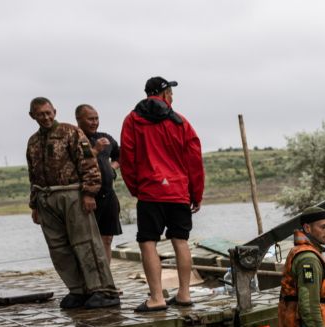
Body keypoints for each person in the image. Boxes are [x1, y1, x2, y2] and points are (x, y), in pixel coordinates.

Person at [119, 76, 204, 313]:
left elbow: (127, 158)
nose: (173, 97)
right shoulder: (181, 123)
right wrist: (196, 194)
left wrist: (136, 188)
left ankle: (156, 298)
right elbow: (194, 159)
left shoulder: (132, 120)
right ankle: (184, 294)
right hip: (178, 192)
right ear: (164, 94)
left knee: (148, 242)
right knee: (181, 241)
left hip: (149, 191)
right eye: (171, 93)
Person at [26, 97, 120, 310]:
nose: (46, 117)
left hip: (72, 194)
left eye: (49, 112)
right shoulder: (32, 142)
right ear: (32, 116)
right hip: (46, 198)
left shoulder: (71, 132)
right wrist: (34, 205)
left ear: (55, 111)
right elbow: (33, 174)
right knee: (59, 248)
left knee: (86, 243)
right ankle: (78, 290)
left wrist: (88, 193)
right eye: (41, 114)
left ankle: (103, 291)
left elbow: (88, 162)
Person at [75, 104, 122, 261]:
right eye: (90, 119)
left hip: (108, 195)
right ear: (79, 119)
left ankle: (106, 280)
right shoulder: (73, 139)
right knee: (90, 242)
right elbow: (75, 164)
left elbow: (120, 155)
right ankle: (92, 281)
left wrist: (112, 167)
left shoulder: (105, 138)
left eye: (96, 118)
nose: (95, 122)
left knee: (107, 239)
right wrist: (95, 150)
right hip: (88, 197)